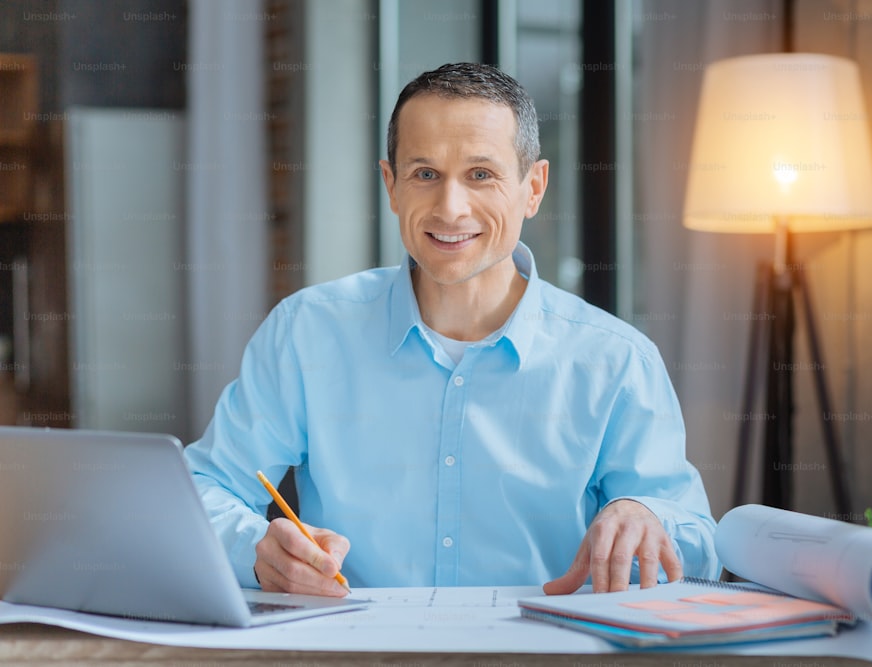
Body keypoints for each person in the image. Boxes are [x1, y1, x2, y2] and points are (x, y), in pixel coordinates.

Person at [184, 62, 720, 598]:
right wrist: (254, 548)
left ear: (532, 188)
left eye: (481, 175)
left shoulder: (617, 359)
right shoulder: (306, 333)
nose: (450, 208)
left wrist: (645, 514)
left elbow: (700, 546)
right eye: (425, 174)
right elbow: (205, 488)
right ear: (391, 186)